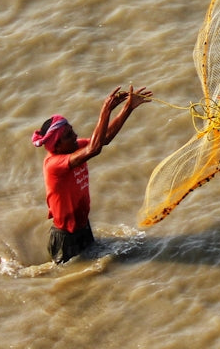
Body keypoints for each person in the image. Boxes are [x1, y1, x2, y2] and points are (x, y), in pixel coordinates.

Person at [33, 85, 151, 263]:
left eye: (71, 130)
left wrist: (128, 108)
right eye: (68, 135)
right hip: (66, 237)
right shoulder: (54, 164)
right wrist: (106, 109)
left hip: (83, 227)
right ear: (56, 146)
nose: (75, 135)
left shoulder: (74, 148)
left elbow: (104, 139)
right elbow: (94, 149)